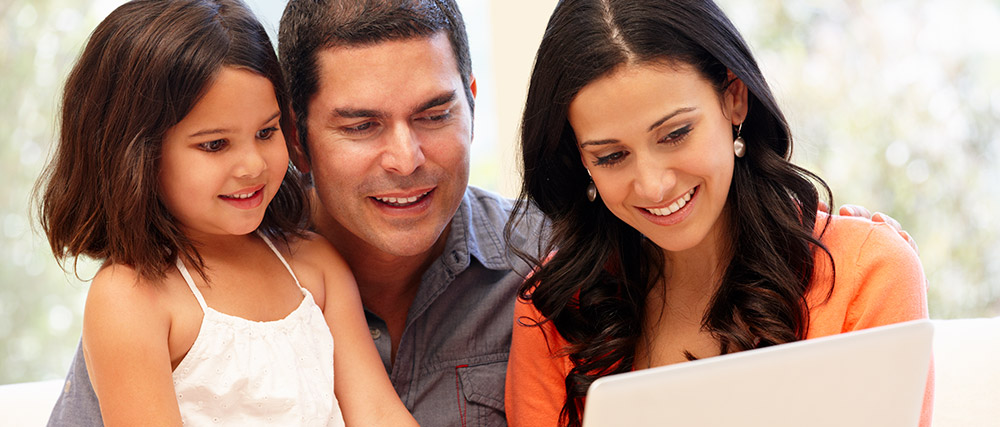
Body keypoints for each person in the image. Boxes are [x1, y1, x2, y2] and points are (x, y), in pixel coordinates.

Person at [45, 1, 914, 426]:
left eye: (433, 113)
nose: (405, 156)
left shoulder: (555, 269)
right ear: (301, 138)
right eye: (359, 125)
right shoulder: (163, 298)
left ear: (471, 102)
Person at [503, 1, 932, 427]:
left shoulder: (870, 273)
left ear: (735, 99)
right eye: (612, 156)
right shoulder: (554, 311)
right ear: (580, 161)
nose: (653, 185)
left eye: (675, 134)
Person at [36, 0, 416, 425]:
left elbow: (379, 412)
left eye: (266, 132)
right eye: (215, 144)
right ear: (137, 155)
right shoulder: (131, 297)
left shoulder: (315, 266)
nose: (253, 165)